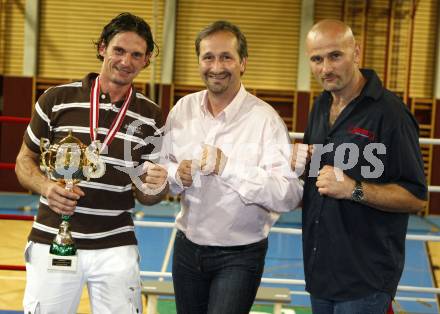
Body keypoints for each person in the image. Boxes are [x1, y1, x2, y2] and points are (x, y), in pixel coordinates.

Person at [15, 12, 168, 314]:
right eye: (119, 50)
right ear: (102, 48)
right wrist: (46, 186)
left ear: (146, 60)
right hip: (54, 236)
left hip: (116, 242)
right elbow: (24, 161)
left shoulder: (152, 117)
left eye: (137, 54)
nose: (126, 61)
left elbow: (147, 196)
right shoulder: (55, 99)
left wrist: (158, 186)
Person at [160, 20, 304, 314]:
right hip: (187, 249)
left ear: (243, 64)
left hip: (239, 255)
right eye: (208, 57)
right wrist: (178, 174)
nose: (217, 66)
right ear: (199, 61)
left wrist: (228, 167)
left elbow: (289, 194)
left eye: (226, 57)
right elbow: (165, 170)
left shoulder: (265, 120)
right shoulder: (182, 110)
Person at [291, 19, 427, 313]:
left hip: (365, 279)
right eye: (317, 59)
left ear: (356, 52)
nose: (325, 68)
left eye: (335, 56)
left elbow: (416, 196)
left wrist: (354, 189)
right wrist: (303, 165)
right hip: (321, 271)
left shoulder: (390, 114)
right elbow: (321, 175)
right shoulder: (321, 106)